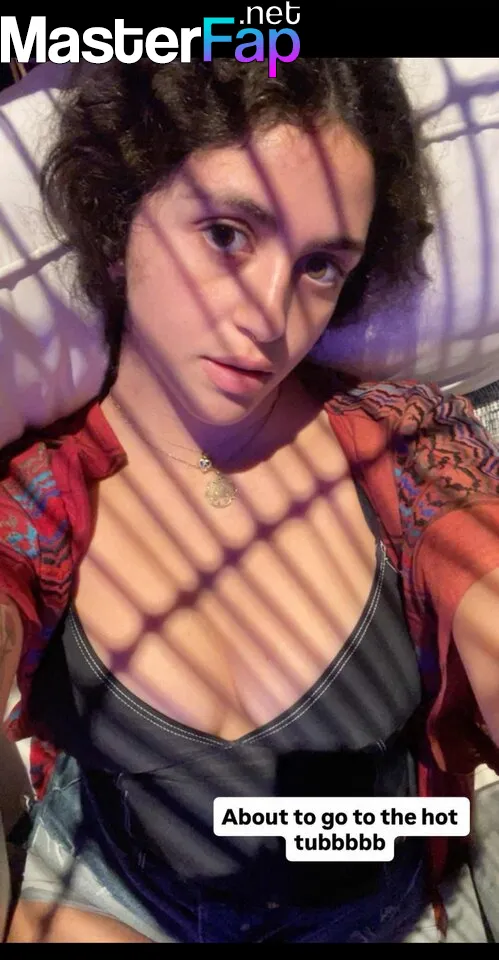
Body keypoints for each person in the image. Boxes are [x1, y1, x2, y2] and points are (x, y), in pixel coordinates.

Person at [1, 57, 499, 944]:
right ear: (120, 221)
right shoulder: (38, 492)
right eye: (227, 234)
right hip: (117, 885)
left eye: (319, 266)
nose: (270, 318)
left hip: (382, 887)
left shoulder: (404, 442)